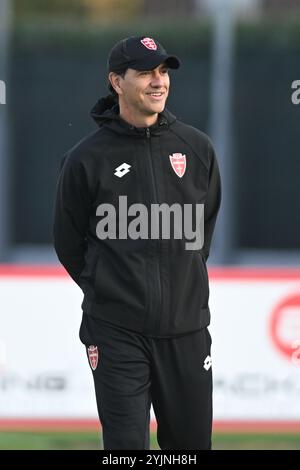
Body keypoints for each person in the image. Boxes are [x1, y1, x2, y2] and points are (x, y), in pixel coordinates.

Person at [53, 36, 221, 450]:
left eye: (163, 72)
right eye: (145, 72)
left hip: (187, 331)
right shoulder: (85, 159)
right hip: (116, 332)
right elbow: (69, 243)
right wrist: (113, 290)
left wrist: (181, 291)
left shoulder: (197, 149)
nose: (158, 81)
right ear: (116, 81)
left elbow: (202, 234)